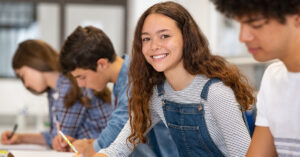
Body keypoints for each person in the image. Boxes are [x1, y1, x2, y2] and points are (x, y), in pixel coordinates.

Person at [90, 1, 255, 157]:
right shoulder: (157, 95)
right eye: (146, 39)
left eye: (164, 36)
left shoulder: (216, 93)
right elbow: (119, 148)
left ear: (186, 38)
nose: (154, 46)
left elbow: (244, 154)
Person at [60, 26, 178, 157]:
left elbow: (117, 131)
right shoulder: (121, 82)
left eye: (82, 77)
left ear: (102, 64)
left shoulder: (136, 80)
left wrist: (89, 149)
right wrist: (90, 144)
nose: (80, 84)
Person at [211, 0, 300, 156]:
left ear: (297, 17)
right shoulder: (273, 77)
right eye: (241, 24)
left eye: (256, 24)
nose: (243, 37)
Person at [0, 39, 112, 150]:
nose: (26, 84)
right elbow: (56, 136)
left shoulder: (70, 85)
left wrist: (23, 138)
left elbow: (61, 140)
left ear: (35, 62)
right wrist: (19, 138)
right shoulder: (54, 90)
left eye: (23, 75)